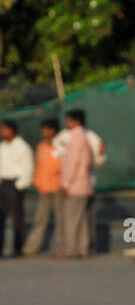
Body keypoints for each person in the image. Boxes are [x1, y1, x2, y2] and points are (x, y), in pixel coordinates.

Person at [55, 110, 107, 252]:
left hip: (75, 184)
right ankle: (82, 249)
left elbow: (73, 163)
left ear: (75, 121)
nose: (66, 123)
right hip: (84, 183)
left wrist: (66, 183)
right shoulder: (83, 136)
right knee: (82, 219)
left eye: (68, 120)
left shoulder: (77, 138)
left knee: (71, 219)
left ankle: (70, 249)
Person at [22, 119, 63, 256]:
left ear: (53, 130)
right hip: (44, 188)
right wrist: (37, 181)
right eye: (43, 129)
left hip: (59, 187)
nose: (44, 132)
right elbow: (39, 166)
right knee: (40, 220)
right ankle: (30, 249)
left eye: (46, 129)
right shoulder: (41, 147)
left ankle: (60, 248)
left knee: (61, 220)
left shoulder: (61, 146)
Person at [0, 118, 34, 258]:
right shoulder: (2, 147)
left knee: (17, 217)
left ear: (12, 130)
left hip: (15, 184)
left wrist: (20, 185)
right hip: (3, 183)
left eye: (4, 129)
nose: (2, 132)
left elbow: (28, 167)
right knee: (0, 216)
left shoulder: (23, 147)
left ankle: (18, 247)